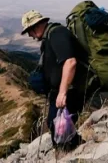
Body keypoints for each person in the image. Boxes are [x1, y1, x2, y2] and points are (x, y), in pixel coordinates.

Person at [21, 10, 89, 151]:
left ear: (36, 26)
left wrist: (62, 92)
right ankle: (74, 149)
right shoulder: (49, 37)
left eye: (29, 31)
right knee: (57, 125)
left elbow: (70, 62)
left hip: (70, 91)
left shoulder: (57, 34)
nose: (29, 35)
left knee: (59, 127)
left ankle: (72, 153)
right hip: (61, 92)